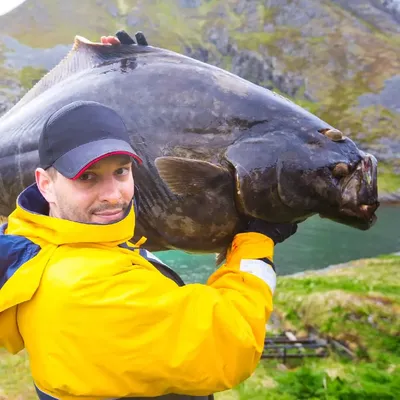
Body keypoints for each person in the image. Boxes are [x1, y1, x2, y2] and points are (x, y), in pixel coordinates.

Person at [0, 32, 298, 400]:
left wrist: (127, 72)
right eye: (87, 177)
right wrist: (255, 248)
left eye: (122, 172)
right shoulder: (86, 290)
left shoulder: (42, 241)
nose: (113, 196)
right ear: (45, 184)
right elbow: (228, 344)